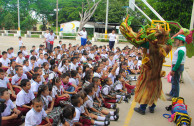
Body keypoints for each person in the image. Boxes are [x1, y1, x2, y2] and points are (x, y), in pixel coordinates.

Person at [167, 35, 186, 100]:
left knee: (175, 82)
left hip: (177, 67)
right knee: (173, 80)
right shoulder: (180, 48)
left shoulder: (181, 50)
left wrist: (174, 69)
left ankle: (175, 96)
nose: (175, 41)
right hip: (177, 66)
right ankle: (172, 93)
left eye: (176, 40)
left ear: (180, 41)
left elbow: (179, 61)